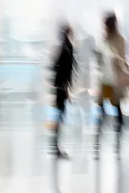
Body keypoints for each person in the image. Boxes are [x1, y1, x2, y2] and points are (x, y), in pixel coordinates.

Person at [94, 13, 129, 159]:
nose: (105, 27)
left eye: (106, 24)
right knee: (101, 113)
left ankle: (117, 148)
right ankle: (97, 147)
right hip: (104, 81)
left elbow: (122, 60)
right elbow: (100, 60)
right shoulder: (103, 39)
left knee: (117, 114)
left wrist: (115, 58)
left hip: (115, 82)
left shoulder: (120, 40)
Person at [51, 24, 77, 159]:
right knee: (60, 117)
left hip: (60, 87)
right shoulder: (66, 48)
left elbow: (54, 66)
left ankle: (56, 146)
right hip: (62, 87)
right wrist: (66, 88)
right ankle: (56, 147)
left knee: (60, 116)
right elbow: (65, 70)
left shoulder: (64, 47)